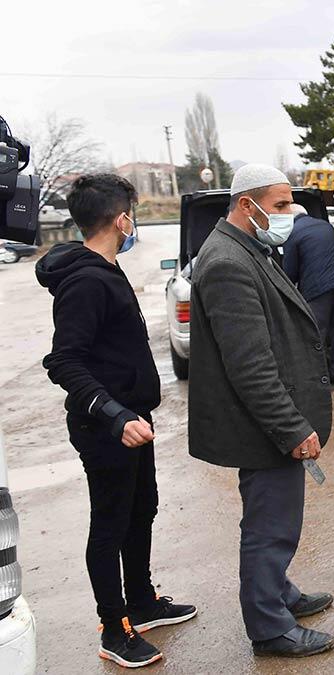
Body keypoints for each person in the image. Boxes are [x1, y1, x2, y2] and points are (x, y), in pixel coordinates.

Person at [38, 174, 196, 669]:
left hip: (133, 419)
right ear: (120, 218)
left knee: (141, 508)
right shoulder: (86, 281)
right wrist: (112, 413)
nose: (135, 222)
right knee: (109, 525)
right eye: (132, 211)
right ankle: (113, 627)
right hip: (106, 427)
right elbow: (64, 361)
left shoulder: (105, 268)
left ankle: (142, 603)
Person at [188, 164, 334, 658]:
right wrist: (292, 427)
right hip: (263, 427)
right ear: (245, 205)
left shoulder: (252, 247)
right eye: (278, 206)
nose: (288, 213)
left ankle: (280, 594)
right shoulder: (228, 262)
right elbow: (249, 365)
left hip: (269, 422)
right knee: (269, 527)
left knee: (278, 519)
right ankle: (270, 627)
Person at [281, 203, 334, 387]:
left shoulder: (292, 233)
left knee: (316, 333)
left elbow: (290, 271)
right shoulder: (326, 226)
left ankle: (318, 381)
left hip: (318, 288)